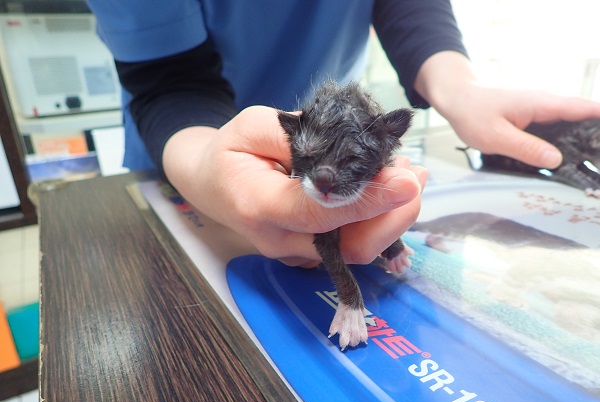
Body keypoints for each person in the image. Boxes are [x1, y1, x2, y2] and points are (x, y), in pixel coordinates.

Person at [86, 0, 600, 267]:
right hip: (188, 145)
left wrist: (457, 87)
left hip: (331, 145)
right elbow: (167, 80)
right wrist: (203, 166)